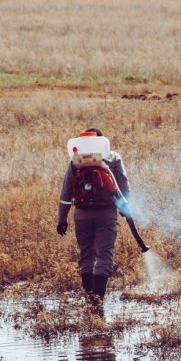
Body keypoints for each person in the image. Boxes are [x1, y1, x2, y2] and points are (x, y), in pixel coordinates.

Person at [56, 128, 130, 312]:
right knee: (104, 255)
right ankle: (98, 304)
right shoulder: (112, 157)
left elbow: (65, 193)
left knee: (86, 256)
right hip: (106, 213)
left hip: (81, 214)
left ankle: (90, 301)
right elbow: (123, 186)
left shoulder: (76, 161)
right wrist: (126, 209)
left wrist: (62, 219)